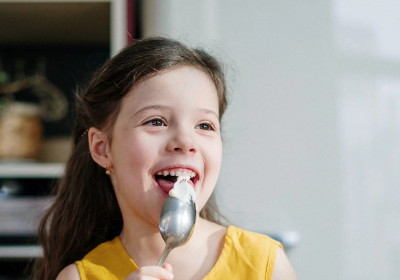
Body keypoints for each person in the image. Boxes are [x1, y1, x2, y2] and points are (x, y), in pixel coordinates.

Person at [34, 37, 297, 280]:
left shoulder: (266, 264)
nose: (185, 141)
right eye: (156, 121)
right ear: (103, 149)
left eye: (204, 126)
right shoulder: (79, 277)